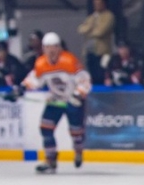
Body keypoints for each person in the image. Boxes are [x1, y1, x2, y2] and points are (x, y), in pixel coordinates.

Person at [21, 32, 92, 174]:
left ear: (59, 48)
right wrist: (21, 87)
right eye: (47, 47)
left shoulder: (69, 61)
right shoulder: (41, 63)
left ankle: (78, 150)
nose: (51, 50)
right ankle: (50, 160)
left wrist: (78, 95)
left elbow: (84, 79)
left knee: (76, 133)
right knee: (45, 128)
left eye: (54, 47)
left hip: (73, 100)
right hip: (55, 101)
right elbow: (34, 79)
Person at [77, 0, 115, 85]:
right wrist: (91, 28)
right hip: (90, 51)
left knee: (101, 73)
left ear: (104, 4)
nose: (97, 6)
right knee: (91, 75)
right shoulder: (92, 17)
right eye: (95, 4)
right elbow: (81, 29)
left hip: (102, 52)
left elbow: (101, 31)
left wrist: (89, 31)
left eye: (99, 4)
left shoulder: (108, 16)